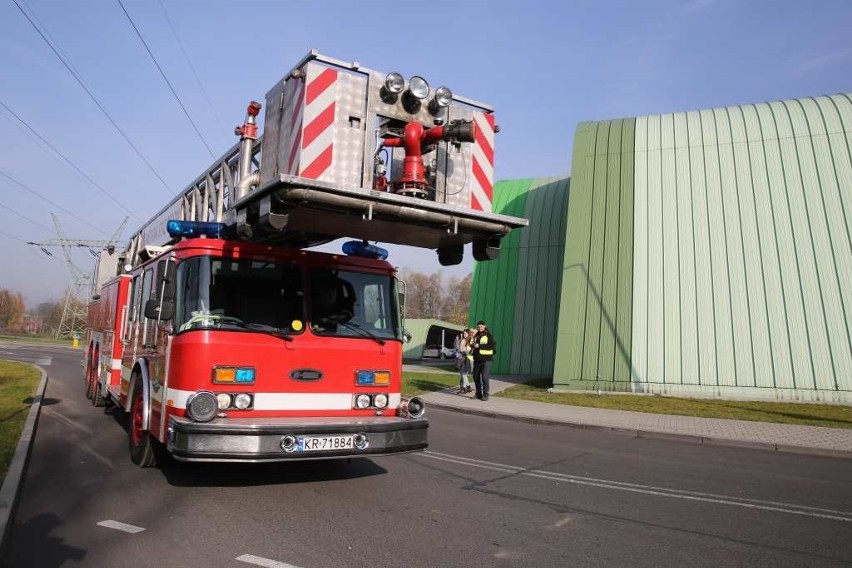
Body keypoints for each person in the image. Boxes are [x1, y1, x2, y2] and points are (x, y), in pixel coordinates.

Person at [471, 320, 496, 401]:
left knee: (485, 377)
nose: (479, 328)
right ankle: (478, 394)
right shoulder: (476, 336)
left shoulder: (489, 335)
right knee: (475, 377)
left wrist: (480, 346)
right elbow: (473, 345)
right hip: (477, 360)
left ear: (484, 326)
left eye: (481, 326)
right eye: (478, 327)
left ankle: (486, 395)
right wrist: (473, 345)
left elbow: (492, 346)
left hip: (486, 360)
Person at [453, 329, 473, 394]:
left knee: (464, 374)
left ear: (468, 334)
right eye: (463, 333)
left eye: (465, 333)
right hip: (462, 358)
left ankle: (465, 388)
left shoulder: (470, 340)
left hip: (468, 359)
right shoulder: (463, 340)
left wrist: (464, 350)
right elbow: (459, 348)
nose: (464, 335)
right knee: (463, 374)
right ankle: (467, 387)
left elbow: (470, 350)